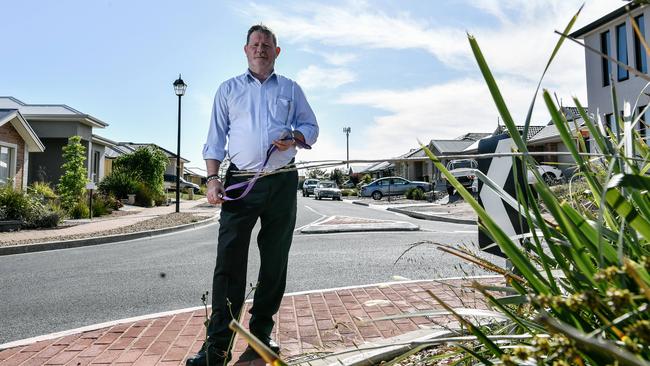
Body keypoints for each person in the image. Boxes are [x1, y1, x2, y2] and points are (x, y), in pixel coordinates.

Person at [186, 24, 318, 366]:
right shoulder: (228, 90)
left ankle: (261, 337)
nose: (260, 48)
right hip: (239, 182)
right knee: (228, 262)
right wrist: (212, 179)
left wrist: (295, 137)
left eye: (267, 44)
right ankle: (217, 348)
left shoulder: (291, 89)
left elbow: (311, 128)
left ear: (277, 51)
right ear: (246, 50)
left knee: (274, 261)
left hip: (283, 180)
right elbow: (214, 139)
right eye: (255, 44)